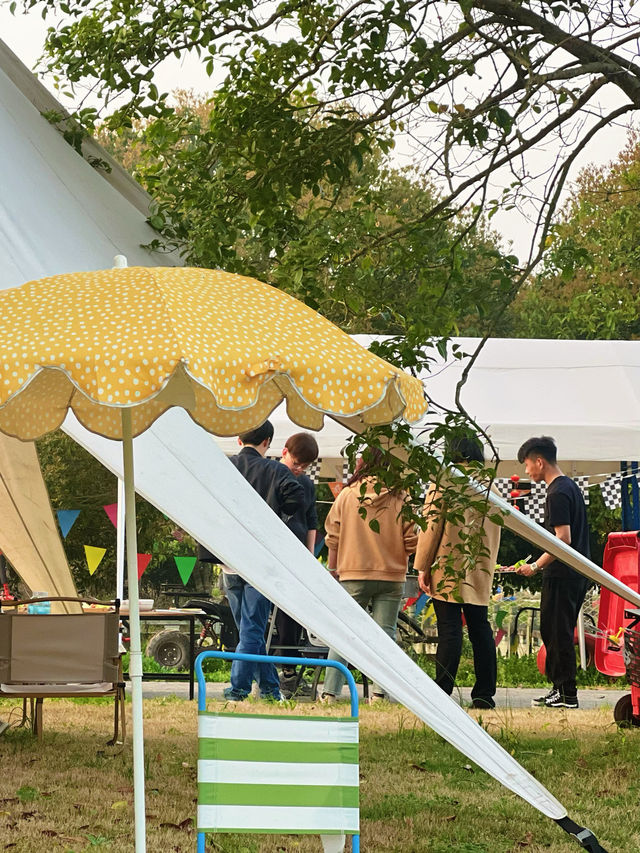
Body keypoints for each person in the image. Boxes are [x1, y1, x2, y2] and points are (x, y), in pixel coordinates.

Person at [321, 449, 418, 703]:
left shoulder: (347, 495)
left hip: (353, 573)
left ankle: (330, 692)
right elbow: (412, 540)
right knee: (385, 635)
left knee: (344, 632)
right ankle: (379, 693)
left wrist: (333, 569)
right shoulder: (401, 496)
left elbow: (333, 537)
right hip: (392, 575)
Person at [414, 438, 501, 710]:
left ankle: (442, 691)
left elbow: (431, 527)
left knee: (449, 630)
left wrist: (422, 566)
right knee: (480, 629)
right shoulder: (491, 485)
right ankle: (484, 694)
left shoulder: (446, 481)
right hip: (480, 565)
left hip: (447, 563)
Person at [222, 420, 305, 701]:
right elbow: (297, 499)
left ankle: (265, 688)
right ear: (267, 441)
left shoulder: (225, 466)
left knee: (248, 630)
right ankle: (242, 689)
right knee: (252, 631)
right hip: (260, 560)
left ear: (238, 439)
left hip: (228, 558)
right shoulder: (276, 470)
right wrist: (277, 517)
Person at [515, 436, 590, 710]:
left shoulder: (557, 492)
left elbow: (563, 539)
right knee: (554, 631)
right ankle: (560, 689)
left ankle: (566, 692)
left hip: (563, 574)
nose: (526, 471)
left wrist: (535, 566)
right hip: (570, 573)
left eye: (527, 465)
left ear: (539, 461)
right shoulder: (568, 487)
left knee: (557, 633)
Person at [275, 432, 320, 698]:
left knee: (292, 614)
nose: (299, 468)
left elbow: (311, 519)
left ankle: (289, 670)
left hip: (297, 553)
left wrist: (309, 555)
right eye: (296, 462)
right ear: (284, 452)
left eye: (305, 465)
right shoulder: (271, 474)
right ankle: (282, 670)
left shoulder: (306, 483)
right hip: (273, 552)